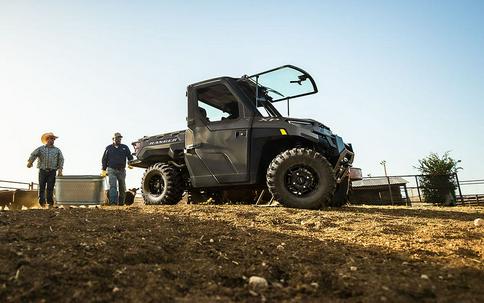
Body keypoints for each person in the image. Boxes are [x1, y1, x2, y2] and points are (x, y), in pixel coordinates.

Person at [27, 132, 64, 208]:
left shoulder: (57, 150)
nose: (52, 140)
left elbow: (61, 160)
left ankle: (50, 203)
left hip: (52, 171)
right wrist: (30, 162)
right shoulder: (40, 149)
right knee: (41, 187)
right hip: (42, 170)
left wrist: (60, 170)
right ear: (47, 139)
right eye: (51, 138)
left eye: (53, 139)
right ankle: (42, 204)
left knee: (50, 187)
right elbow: (33, 154)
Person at [101, 132, 133, 205]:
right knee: (113, 186)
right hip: (111, 169)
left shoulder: (125, 147)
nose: (119, 139)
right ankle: (113, 203)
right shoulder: (108, 148)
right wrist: (103, 169)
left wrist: (130, 163)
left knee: (122, 187)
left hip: (121, 170)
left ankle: (121, 203)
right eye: (117, 138)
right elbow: (104, 159)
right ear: (113, 139)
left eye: (120, 138)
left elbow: (130, 157)